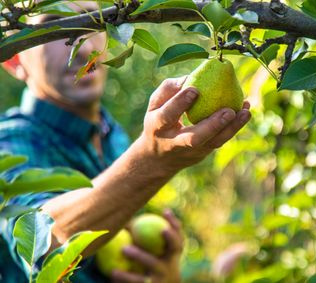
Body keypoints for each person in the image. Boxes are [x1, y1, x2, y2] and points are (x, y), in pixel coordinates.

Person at [0, 1, 251, 282]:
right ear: (15, 59)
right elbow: (41, 243)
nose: (83, 49)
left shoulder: (113, 135)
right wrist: (151, 160)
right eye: (55, 28)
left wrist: (163, 274)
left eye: (93, 22)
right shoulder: (7, 145)